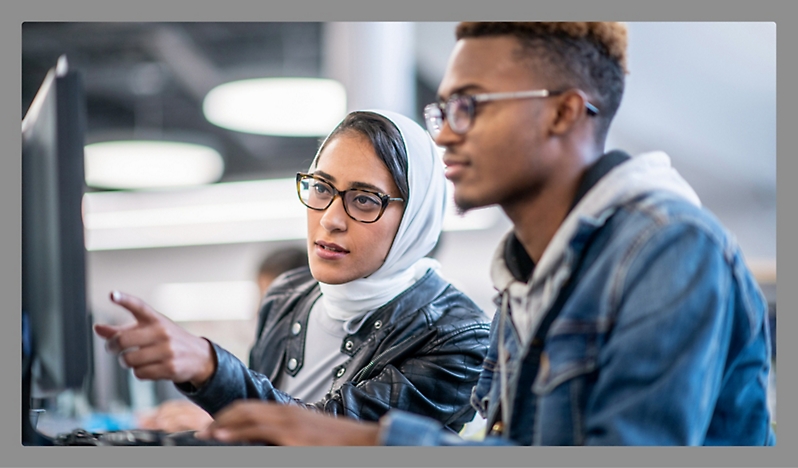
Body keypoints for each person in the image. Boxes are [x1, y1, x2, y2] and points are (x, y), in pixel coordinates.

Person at [196, 21, 775, 446]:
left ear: (564, 113)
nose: (446, 136)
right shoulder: (526, 278)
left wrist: (364, 441)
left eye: (471, 106)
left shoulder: (669, 248)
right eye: (443, 109)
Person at [94, 109, 491, 433]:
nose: (331, 219)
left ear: (415, 218)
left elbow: (338, 435)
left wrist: (211, 368)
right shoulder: (287, 294)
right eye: (321, 188)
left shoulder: (459, 337)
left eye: (365, 199)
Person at [136, 247, 309, 433]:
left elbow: (299, 429)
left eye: (274, 304)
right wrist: (214, 414)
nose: (261, 311)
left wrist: (221, 423)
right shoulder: (267, 355)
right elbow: (261, 407)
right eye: (263, 301)